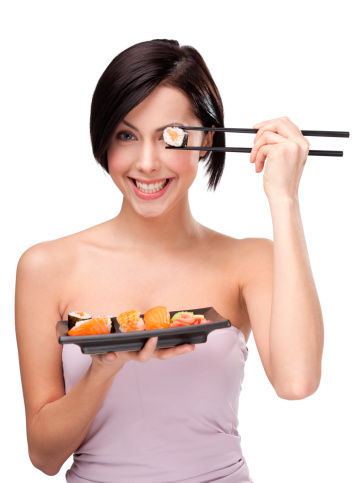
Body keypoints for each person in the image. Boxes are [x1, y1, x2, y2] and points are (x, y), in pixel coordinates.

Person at [15, 39, 324, 483]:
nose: (146, 163)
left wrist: (284, 196)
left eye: (171, 137)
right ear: (104, 141)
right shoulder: (45, 267)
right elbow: (44, 456)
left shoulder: (249, 259)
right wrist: (104, 367)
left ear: (208, 143)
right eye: (127, 135)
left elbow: (297, 383)